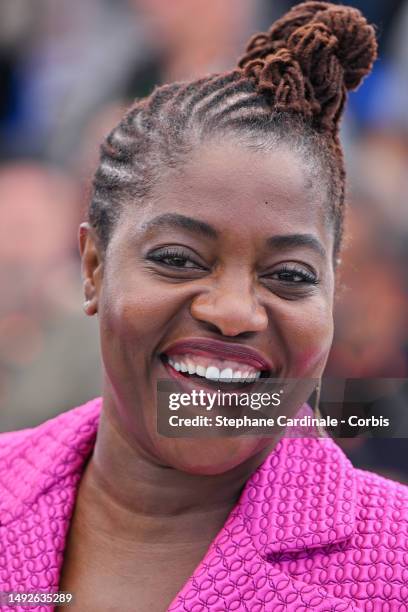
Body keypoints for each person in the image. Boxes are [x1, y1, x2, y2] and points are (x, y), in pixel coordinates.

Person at [0, 2, 407, 611]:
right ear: (93, 267)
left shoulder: (393, 562)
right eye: (179, 259)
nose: (235, 310)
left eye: (290, 275)